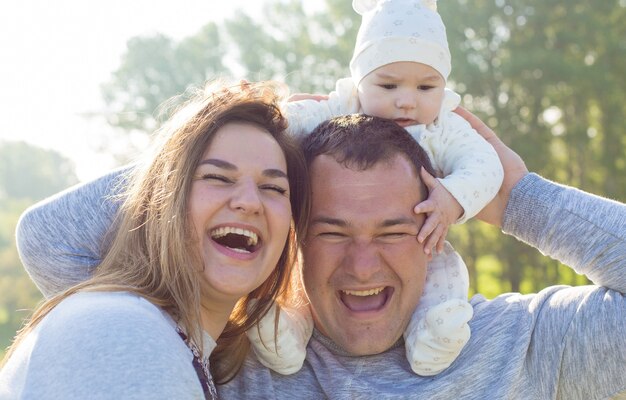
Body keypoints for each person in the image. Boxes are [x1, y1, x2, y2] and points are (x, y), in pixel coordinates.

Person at [12, 110, 626, 399]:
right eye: (331, 232)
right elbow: (50, 240)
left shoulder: (526, 344)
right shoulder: (229, 358)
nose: (363, 266)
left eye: (392, 231)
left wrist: (512, 195)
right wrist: (267, 133)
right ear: (291, 238)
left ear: (440, 231)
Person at [0, 80, 310, 399]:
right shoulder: (127, 334)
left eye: (273, 188)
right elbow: (46, 232)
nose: (249, 201)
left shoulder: (167, 340)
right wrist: (305, 119)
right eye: (217, 177)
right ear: (163, 197)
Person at [248, 0, 503, 375]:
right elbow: (283, 127)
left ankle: (435, 334)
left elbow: (485, 166)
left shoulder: (443, 127)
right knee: (299, 280)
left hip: (428, 239)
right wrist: (261, 120)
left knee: (445, 281)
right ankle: (286, 329)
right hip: (310, 282)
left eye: (426, 86)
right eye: (388, 84)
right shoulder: (340, 108)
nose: (406, 99)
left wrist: (454, 197)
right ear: (360, 82)